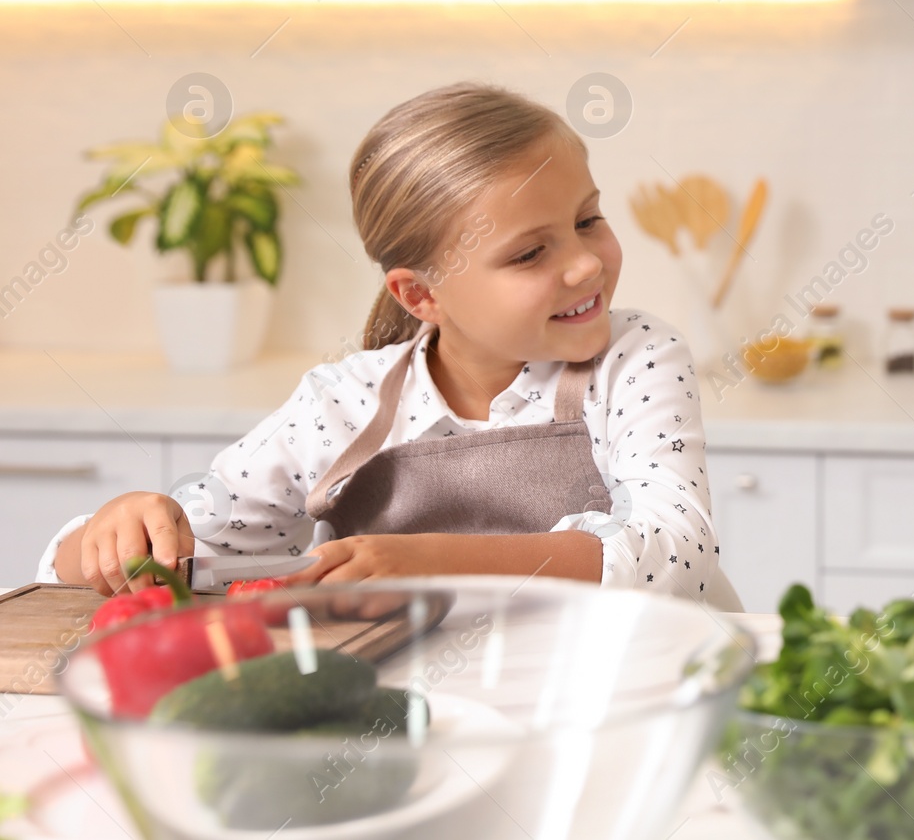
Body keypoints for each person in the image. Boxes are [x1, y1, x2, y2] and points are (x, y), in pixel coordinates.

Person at [41, 82, 730, 604]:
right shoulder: (341, 403)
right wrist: (113, 531)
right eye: (529, 254)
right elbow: (199, 555)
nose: (584, 263)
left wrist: (423, 560)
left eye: (588, 219)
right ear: (421, 295)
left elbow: (677, 551)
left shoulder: (634, 357)